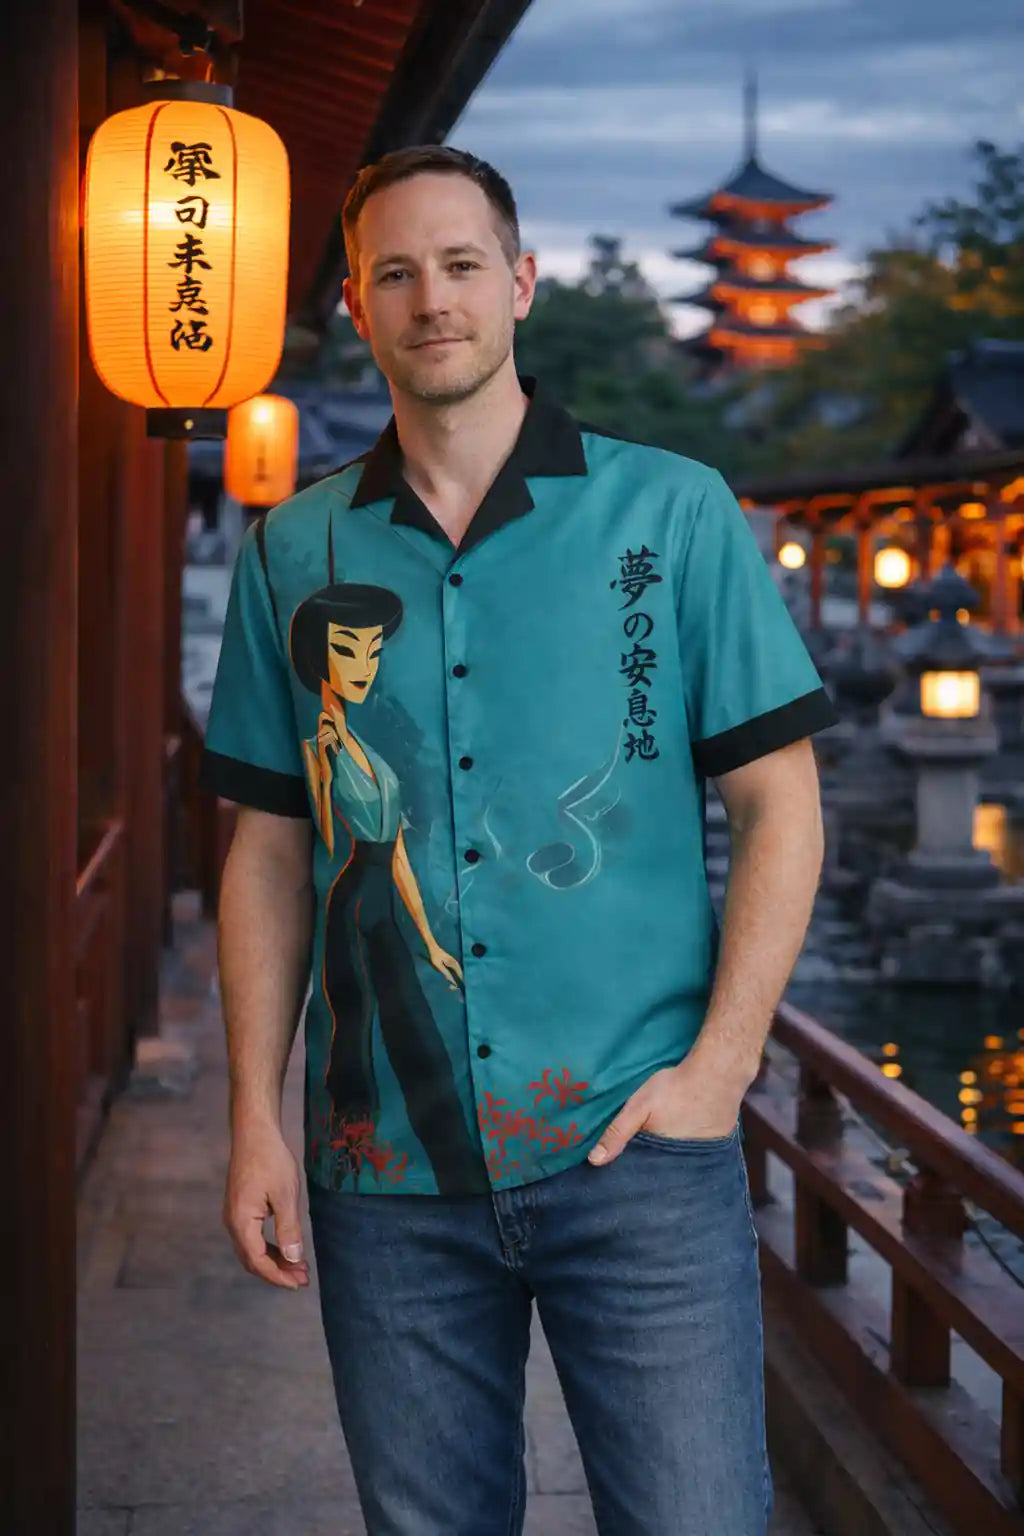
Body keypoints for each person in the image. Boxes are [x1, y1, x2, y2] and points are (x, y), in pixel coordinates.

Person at [200, 145, 838, 1536]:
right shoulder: (291, 551)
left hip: (637, 1146)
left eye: (463, 264)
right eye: (395, 273)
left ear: (523, 284)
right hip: (385, 1170)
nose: (433, 298)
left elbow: (780, 802)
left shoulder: (669, 516)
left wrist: (721, 1071)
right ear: (356, 313)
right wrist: (254, 1113)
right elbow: (262, 845)